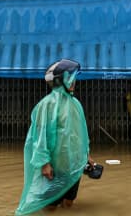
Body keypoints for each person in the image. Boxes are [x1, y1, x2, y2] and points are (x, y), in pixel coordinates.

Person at [16, 59, 96, 214]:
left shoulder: (76, 104)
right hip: (55, 166)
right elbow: (39, 138)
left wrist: (87, 155)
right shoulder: (46, 105)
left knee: (69, 202)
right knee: (51, 206)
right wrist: (44, 163)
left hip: (74, 165)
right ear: (61, 81)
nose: (74, 82)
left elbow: (80, 135)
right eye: (71, 78)